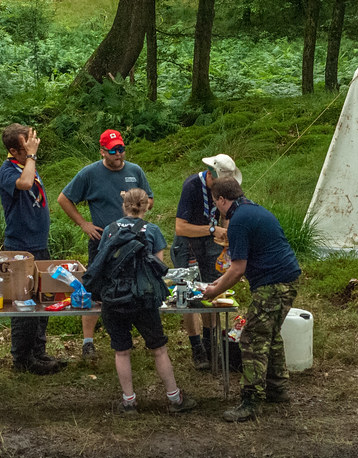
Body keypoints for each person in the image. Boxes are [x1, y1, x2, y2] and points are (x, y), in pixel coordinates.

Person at [89, 188, 197, 417]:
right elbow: (158, 269)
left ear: (123, 206)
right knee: (159, 349)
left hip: (114, 299)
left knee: (121, 351)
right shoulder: (153, 231)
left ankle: (129, 402)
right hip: (143, 298)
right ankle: (174, 398)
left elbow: (103, 263)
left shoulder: (110, 230)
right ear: (147, 206)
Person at [201, 177, 301, 422]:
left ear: (222, 199)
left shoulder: (238, 221)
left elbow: (238, 269)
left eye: (215, 202)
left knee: (253, 338)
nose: (216, 207)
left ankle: (251, 400)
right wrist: (218, 283)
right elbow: (237, 266)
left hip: (273, 284)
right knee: (270, 334)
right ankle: (277, 388)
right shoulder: (253, 210)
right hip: (288, 279)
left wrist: (214, 291)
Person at [57, 129, 153, 362]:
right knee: (95, 290)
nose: (118, 154)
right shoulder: (89, 173)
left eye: (121, 149)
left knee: (134, 287)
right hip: (102, 242)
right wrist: (84, 224)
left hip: (133, 241)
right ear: (102, 151)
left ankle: (131, 336)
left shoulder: (135, 171)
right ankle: (88, 342)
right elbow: (63, 198)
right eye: (113, 151)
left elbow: (150, 199)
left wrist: (136, 203)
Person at [0, 124, 63, 375]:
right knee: (24, 304)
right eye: (27, 146)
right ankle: (22, 358)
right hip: (21, 247)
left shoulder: (26, 164)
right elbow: (24, 184)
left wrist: (31, 157)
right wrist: (32, 156)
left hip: (39, 244)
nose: (33, 150)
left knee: (43, 299)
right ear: (14, 151)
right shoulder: (7, 171)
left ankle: (38, 350)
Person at [171, 154, 240, 370]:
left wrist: (226, 231)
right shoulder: (192, 186)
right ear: (210, 175)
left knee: (213, 290)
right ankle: (196, 347)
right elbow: (180, 227)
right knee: (188, 295)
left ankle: (211, 344)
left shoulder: (223, 190)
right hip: (188, 243)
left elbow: (227, 214)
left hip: (210, 244)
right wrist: (212, 229)